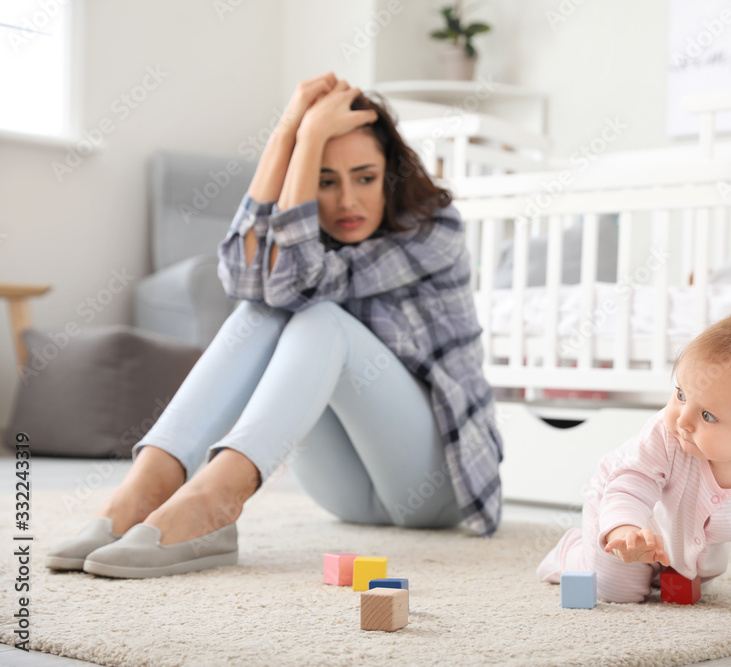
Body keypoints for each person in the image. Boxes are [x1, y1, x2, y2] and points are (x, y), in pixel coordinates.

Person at [45, 72, 503, 578]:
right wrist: (288, 133)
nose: (348, 201)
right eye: (325, 180)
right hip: (347, 493)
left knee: (312, 312)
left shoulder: (433, 228)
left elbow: (293, 287)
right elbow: (245, 279)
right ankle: (148, 483)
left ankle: (216, 498)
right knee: (259, 308)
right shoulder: (311, 234)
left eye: (366, 177)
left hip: (438, 483)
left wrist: (308, 138)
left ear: (390, 172)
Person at [537, 308, 731, 653]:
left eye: (708, 415)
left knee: (697, 573)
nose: (682, 420)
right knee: (620, 591)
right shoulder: (666, 435)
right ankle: (575, 550)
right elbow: (632, 482)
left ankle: (658, 565)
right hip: (624, 502)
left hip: (690, 529)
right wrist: (623, 529)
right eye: (681, 394)